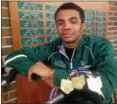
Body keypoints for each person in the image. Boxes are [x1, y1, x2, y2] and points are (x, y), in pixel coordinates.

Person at [4, 2, 117, 104]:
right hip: (62, 99)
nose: (66, 27)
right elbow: (13, 58)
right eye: (60, 23)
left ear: (82, 26)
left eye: (73, 21)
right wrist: (33, 70)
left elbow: (107, 83)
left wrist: (52, 74)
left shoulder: (100, 46)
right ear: (57, 27)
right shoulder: (52, 47)